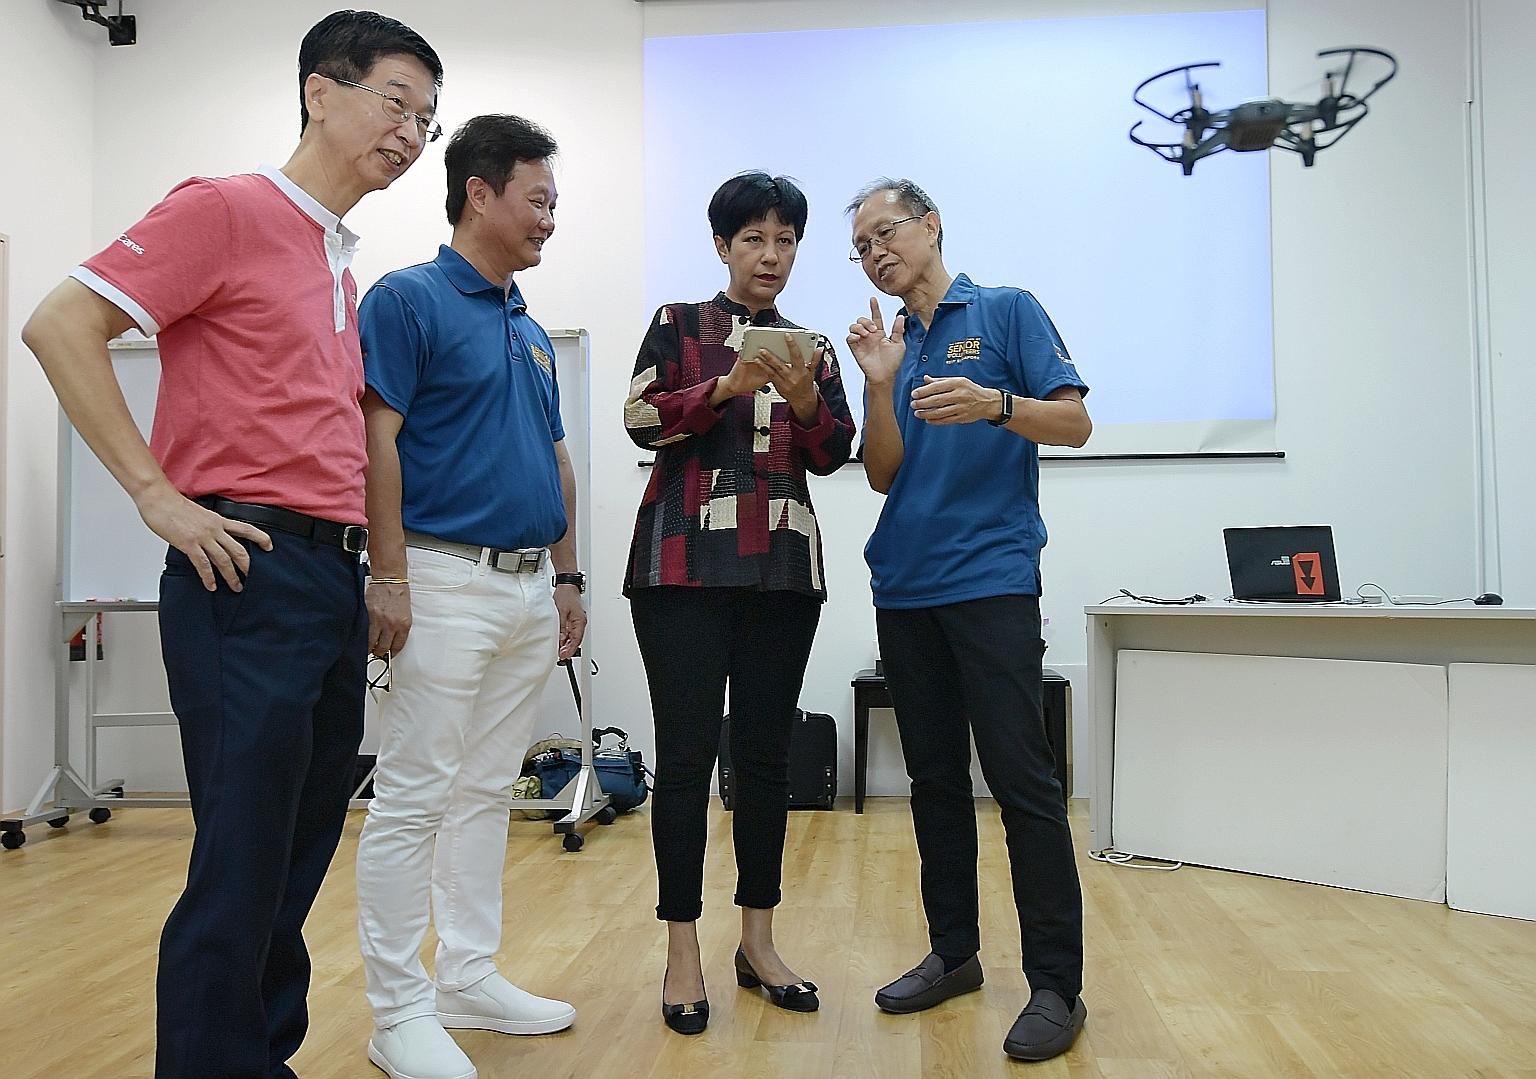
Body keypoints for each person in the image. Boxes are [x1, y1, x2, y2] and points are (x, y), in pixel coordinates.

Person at [20, 12, 442, 1077]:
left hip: (326, 577)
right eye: (396, 101)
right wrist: (157, 498)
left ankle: (260, 1052)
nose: (410, 132)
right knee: (242, 856)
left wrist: (375, 573)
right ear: (319, 90)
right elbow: (60, 323)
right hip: (243, 569)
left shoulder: (335, 256)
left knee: (297, 848)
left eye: (427, 122)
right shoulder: (226, 208)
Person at [843, 177, 1093, 1063]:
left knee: (1023, 783)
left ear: (932, 224)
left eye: (887, 230)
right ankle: (955, 954)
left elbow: (1076, 422)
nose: (876, 250)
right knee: (935, 784)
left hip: (990, 582)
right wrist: (880, 387)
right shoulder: (892, 344)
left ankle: (1057, 985)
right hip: (904, 586)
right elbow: (881, 475)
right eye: (862, 244)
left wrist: (995, 403)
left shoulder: (1008, 310)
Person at [354, 114, 583, 1079]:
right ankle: (398, 1009)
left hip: (530, 587)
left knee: (488, 790)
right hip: (441, 579)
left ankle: (468, 975)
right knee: (413, 797)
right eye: (538, 201)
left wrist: (568, 577)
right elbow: (377, 441)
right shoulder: (407, 300)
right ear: (479, 192)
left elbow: (556, 460)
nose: (549, 221)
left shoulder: (526, 322)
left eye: (555, 206)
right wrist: (389, 571)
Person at [622, 171, 855, 1035]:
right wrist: (724, 385)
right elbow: (642, 420)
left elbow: (834, 451)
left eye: (785, 239)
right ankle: (682, 948)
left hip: (783, 567)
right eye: (754, 238)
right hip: (680, 562)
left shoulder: (815, 345)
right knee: (683, 760)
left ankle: (758, 940)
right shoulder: (680, 324)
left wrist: (800, 397)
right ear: (723, 246)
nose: (771, 254)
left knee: (765, 758)